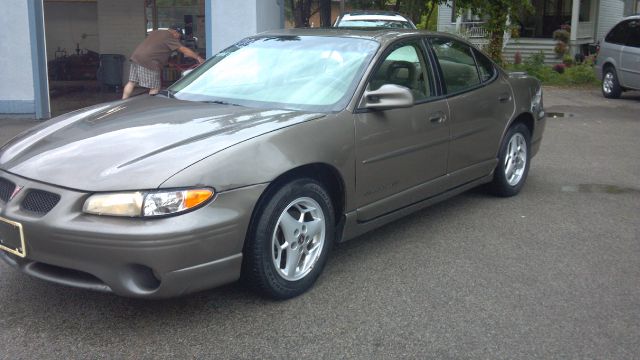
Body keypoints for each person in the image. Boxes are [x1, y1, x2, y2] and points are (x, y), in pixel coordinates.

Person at [122, 25, 204, 99]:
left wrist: (167, 62)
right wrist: (198, 57)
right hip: (149, 61)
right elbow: (183, 50)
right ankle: (151, 107)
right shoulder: (169, 36)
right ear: (175, 32)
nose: (178, 38)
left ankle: (123, 101)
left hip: (136, 57)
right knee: (155, 87)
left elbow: (158, 48)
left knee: (131, 82)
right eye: (179, 36)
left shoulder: (157, 32)